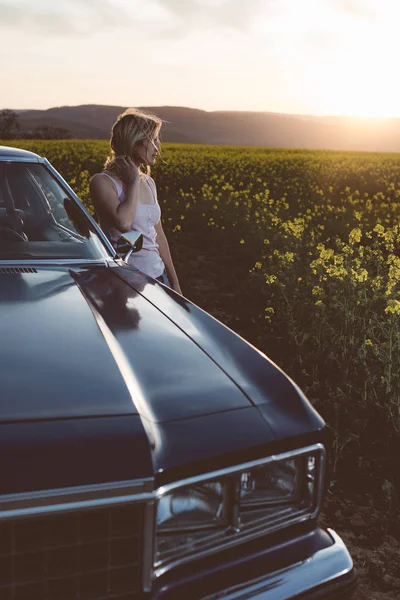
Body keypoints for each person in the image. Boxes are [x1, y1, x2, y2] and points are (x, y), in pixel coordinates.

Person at [90, 108, 182, 294]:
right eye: (153, 140)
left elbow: (158, 235)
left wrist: (174, 282)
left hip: (158, 277)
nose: (158, 148)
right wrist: (132, 182)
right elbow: (124, 223)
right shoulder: (102, 182)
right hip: (124, 281)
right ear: (135, 143)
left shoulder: (149, 182)